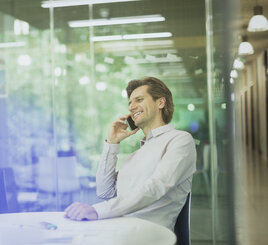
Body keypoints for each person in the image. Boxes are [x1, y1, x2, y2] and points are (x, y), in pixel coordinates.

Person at [64, 76, 196, 231]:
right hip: (119, 230)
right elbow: (105, 191)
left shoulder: (180, 140)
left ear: (161, 102)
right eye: (130, 103)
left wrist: (98, 211)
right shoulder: (137, 155)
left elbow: (156, 186)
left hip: (146, 235)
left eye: (139, 100)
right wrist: (112, 143)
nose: (131, 107)